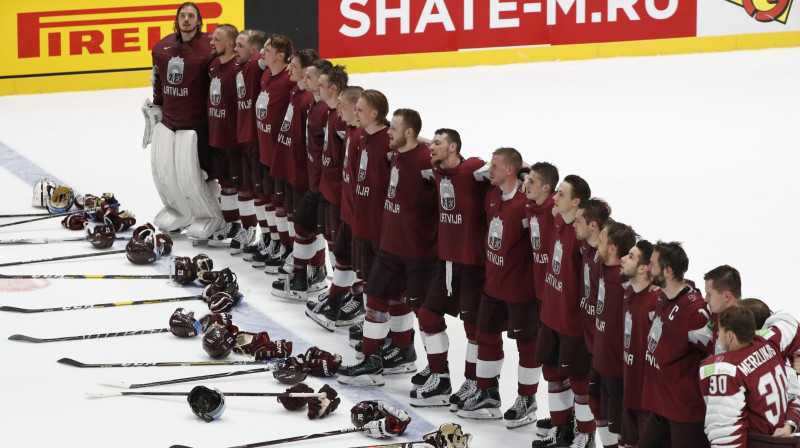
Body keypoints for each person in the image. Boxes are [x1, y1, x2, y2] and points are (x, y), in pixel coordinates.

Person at [337, 108, 436, 387]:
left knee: (415, 307)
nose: (388, 132)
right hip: (390, 244)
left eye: (393, 128)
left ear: (408, 132)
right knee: (378, 296)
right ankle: (378, 359)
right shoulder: (395, 155)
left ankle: (404, 356)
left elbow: (456, 172)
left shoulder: (426, 162)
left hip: (415, 250)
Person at [458, 147, 542, 428]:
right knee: (485, 336)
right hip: (492, 284)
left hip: (521, 290)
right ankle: (487, 394)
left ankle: (527, 400)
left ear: (509, 170)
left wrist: (526, 172)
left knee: (526, 345)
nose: (488, 170)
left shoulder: (527, 204)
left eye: (495, 166)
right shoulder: (492, 195)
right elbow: (475, 171)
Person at [411, 128, 491, 410]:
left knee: (473, 329)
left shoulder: (474, 169)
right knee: (428, 315)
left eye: (438, 143)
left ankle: (473, 382)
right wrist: (422, 141)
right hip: (445, 261)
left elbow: (510, 168)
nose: (431, 147)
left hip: (473, 264)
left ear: (454, 147)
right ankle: (440, 377)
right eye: (431, 142)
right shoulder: (437, 172)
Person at [143, 2, 221, 238]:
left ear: (199, 21)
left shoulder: (211, 47)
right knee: (168, 172)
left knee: (197, 174)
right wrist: (156, 106)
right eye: (182, 16)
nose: (186, 19)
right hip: (169, 122)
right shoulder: (161, 47)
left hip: (198, 124)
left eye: (191, 16)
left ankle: (211, 215)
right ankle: (178, 211)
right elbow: (158, 80)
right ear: (176, 20)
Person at [534, 175, 595, 448]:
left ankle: (586, 435)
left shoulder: (584, 238)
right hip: (550, 316)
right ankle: (561, 429)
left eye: (561, 194)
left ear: (576, 202)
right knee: (552, 374)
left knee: (580, 382)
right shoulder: (558, 219)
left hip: (572, 324)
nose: (554, 198)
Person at [639, 241, 713, 448]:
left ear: (668, 271)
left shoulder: (695, 314)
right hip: (661, 406)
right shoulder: (663, 296)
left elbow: (720, 346)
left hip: (685, 414)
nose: (648, 268)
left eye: (652, 264)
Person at [270, 59, 332, 297]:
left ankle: (312, 278)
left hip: (322, 185)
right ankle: (308, 275)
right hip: (314, 181)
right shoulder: (314, 103)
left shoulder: (325, 110)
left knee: (314, 229)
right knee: (306, 226)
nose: (303, 80)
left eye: (309, 77)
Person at [306, 64, 362, 327]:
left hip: (344, 199)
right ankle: (337, 292)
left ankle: (352, 298)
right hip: (330, 191)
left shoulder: (345, 122)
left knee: (347, 252)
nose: (316, 87)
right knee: (334, 245)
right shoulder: (332, 115)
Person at [700, 306, 800, 447]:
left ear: (730, 335)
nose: (718, 335)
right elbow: (788, 322)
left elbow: (725, 433)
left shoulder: (725, 369)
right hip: (781, 438)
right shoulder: (771, 345)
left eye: (720, 331)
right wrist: (790, 424)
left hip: (757, 442)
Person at [265, 48, 318, 263]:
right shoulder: (296, 92)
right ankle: (292, 254)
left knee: (306, 222)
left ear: (306, 70)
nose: (288, 68)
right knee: (289, 213)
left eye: (293, 65)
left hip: (300, 171)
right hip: (288, 165)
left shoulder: (308, 99)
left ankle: (312, 266)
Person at [251, 34, 295, 269]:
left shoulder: (290, 81)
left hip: (281, 156)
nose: (262, 51)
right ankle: (274, 241)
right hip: (264, 150)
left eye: (267, 48)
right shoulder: (266, 75)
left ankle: (288, 247)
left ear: (280, 55)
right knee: (267, 200)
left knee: (282, 204)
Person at [593, 221, 637, 448]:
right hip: (601, 362)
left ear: (612, 248)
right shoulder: (602, 265)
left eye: (600, 242)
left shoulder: (626, 282)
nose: (595, 245)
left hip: (619, 371)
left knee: (622, 430)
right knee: (601, 417)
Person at [618, 239, 659, 448]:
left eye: (631, 256)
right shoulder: (628, 292)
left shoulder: (656, 300)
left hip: (647, 400)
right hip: (630, 391)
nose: (623, 258)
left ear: (644, 268)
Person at [204, 24, 243, 247]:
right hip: (216, 136)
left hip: (234, 140)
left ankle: (245, 226)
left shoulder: (239, 69)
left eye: (216, 39)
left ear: (230, 44)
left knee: (240, 185)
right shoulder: (212, 66)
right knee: (224, 182)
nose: (211, 42)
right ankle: (231, 223)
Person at [230, 29, 266, 256]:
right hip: (245, 138)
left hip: (256, 140)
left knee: (264, 194)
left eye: (240, 45)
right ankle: (254, 231)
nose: (235, 49)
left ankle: (268, 239)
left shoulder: (255, 63)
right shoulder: (242, 67)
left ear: (254, 50)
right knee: (250, 190)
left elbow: (271, 60)